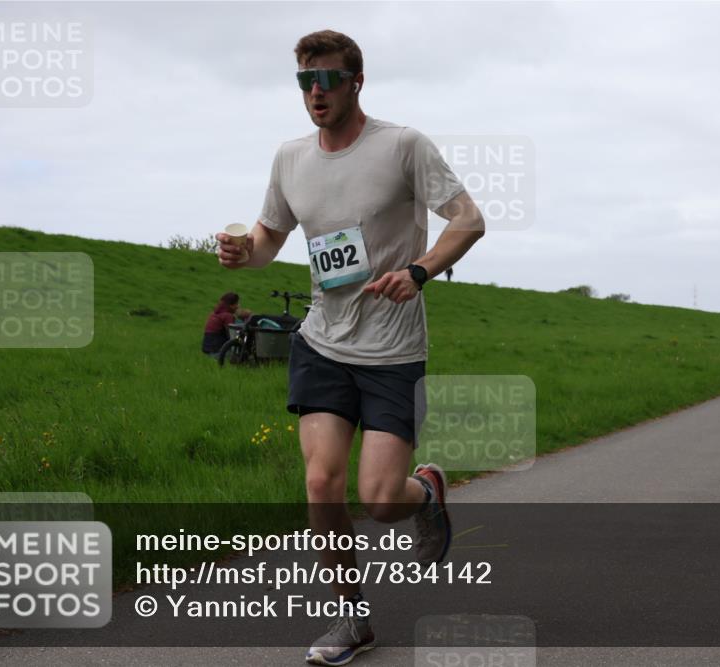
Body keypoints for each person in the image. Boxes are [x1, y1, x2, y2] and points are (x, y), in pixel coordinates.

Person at [215, 30, 485, 666]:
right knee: (320, 482)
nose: (317, 92)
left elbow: (468, 219)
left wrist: (419, 270)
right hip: (322, 342)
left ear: (356, 82)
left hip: (392, 350)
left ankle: (425, 493)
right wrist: (241, 253)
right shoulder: (289, 158)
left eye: (330, 79)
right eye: (306, 81)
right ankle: (351, 618)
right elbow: (267, 239)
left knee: (380, 500)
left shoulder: (403, 147)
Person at [201, 292, 239, 357]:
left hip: (207, 351)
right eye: (236, 304)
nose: (238, 306)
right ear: (231, 305)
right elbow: (232, 336)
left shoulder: (214, 314)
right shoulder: (228, 316)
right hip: (218, 352)